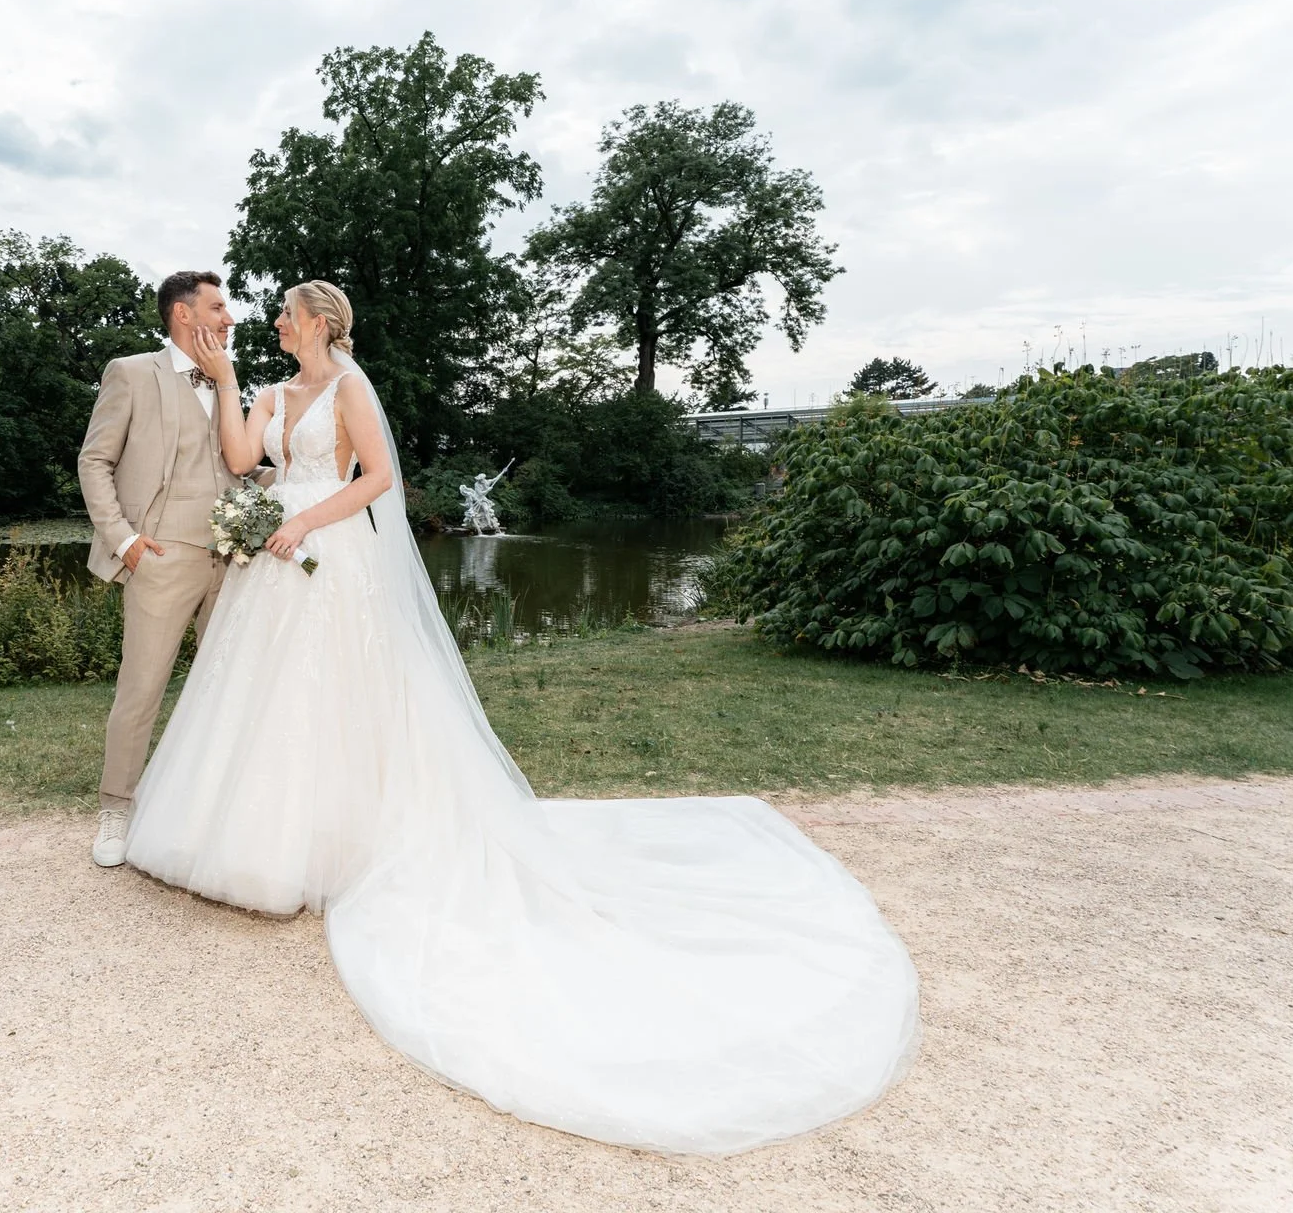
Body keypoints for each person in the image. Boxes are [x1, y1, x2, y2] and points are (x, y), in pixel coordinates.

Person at [116, 280, 920, 1156]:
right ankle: (258, 836)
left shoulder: (349, 387)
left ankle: (344, 840)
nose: (271, 322)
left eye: (283, 314)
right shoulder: (270, 391)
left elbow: (379, 478)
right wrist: (228, 380)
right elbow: (242, 461)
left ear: (316, 321)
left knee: (338, 698)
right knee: (264, 703)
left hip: (330, 557)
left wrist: (305, 518)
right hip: (276, 566)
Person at [76, 270, 245, 868]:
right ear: (183, 313)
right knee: (142, 688)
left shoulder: (227, 378)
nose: (229, 318)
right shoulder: (131, 373)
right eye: (218, 307)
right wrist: (124, 540)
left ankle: (215, 813)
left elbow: (237, 465)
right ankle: (116, 808)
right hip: (161, 558)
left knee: (231, 688)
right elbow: (94, 461)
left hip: (233, 561)